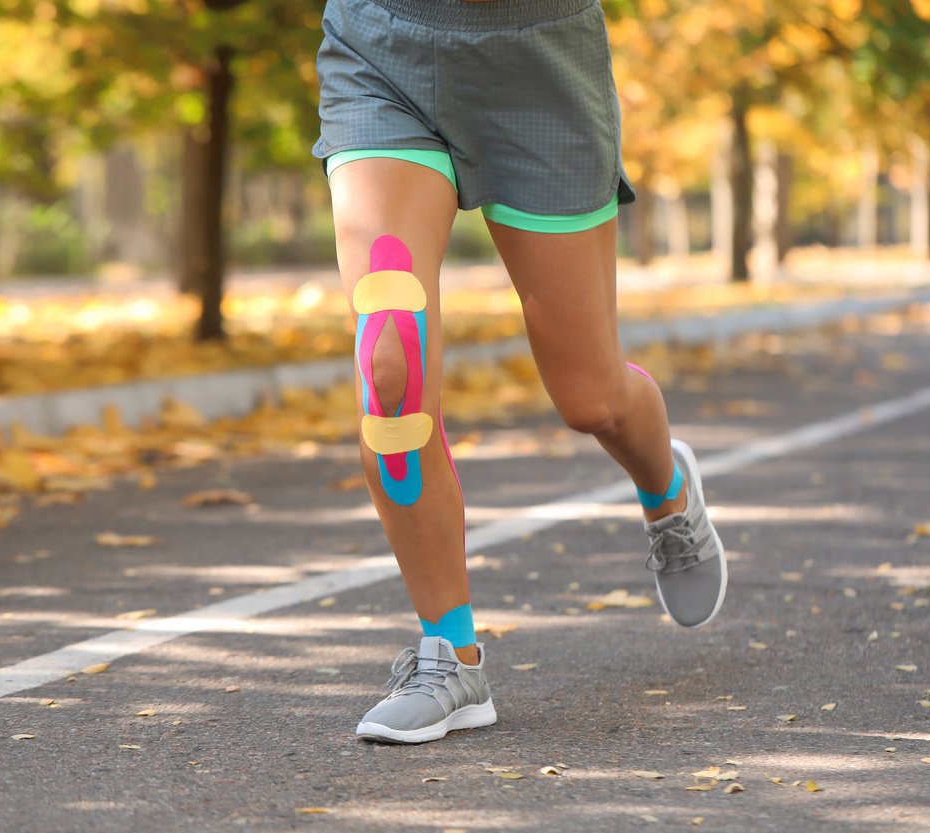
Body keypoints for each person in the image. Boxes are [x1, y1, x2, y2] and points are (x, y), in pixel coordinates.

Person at [311, 0, 727, 744]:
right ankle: (451, 656)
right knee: (390, 361)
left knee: (591, 397)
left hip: (541, 60)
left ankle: (667, 487)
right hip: (384, 48)